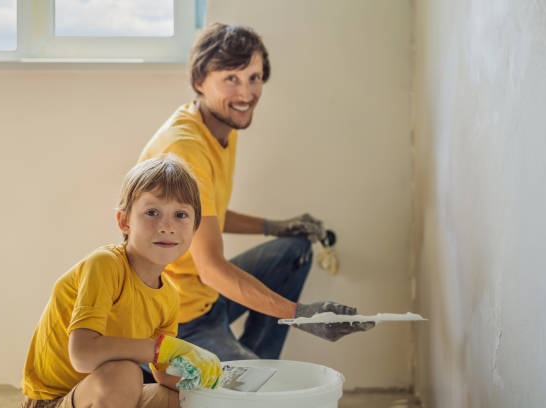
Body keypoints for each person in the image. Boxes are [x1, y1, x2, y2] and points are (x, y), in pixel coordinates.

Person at [138, 23, 373, 368]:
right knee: (260, 393)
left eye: (254, 77)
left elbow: (207, 213)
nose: (246, 93)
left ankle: (254, 365)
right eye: (230, 78)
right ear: (200, 81)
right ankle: (247, 375)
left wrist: (277, 227)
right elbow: (212, 270)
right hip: (176, 320)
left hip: (204, 298)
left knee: (294, 251)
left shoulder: (218, 124)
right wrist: (304, 315)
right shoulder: (185, 148)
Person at [20, 156, 222, 408]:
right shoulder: (105, 265)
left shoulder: (169, 294)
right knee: (125, 374)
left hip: (106, 395)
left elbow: (162, 374)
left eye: (180, 215)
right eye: (152, 212)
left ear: (194, 228)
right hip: (52, 400)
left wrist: (204, 376)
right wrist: (162, 348)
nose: (167, 226)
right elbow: (82, 355)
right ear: (124, 222)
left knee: (188, 400)